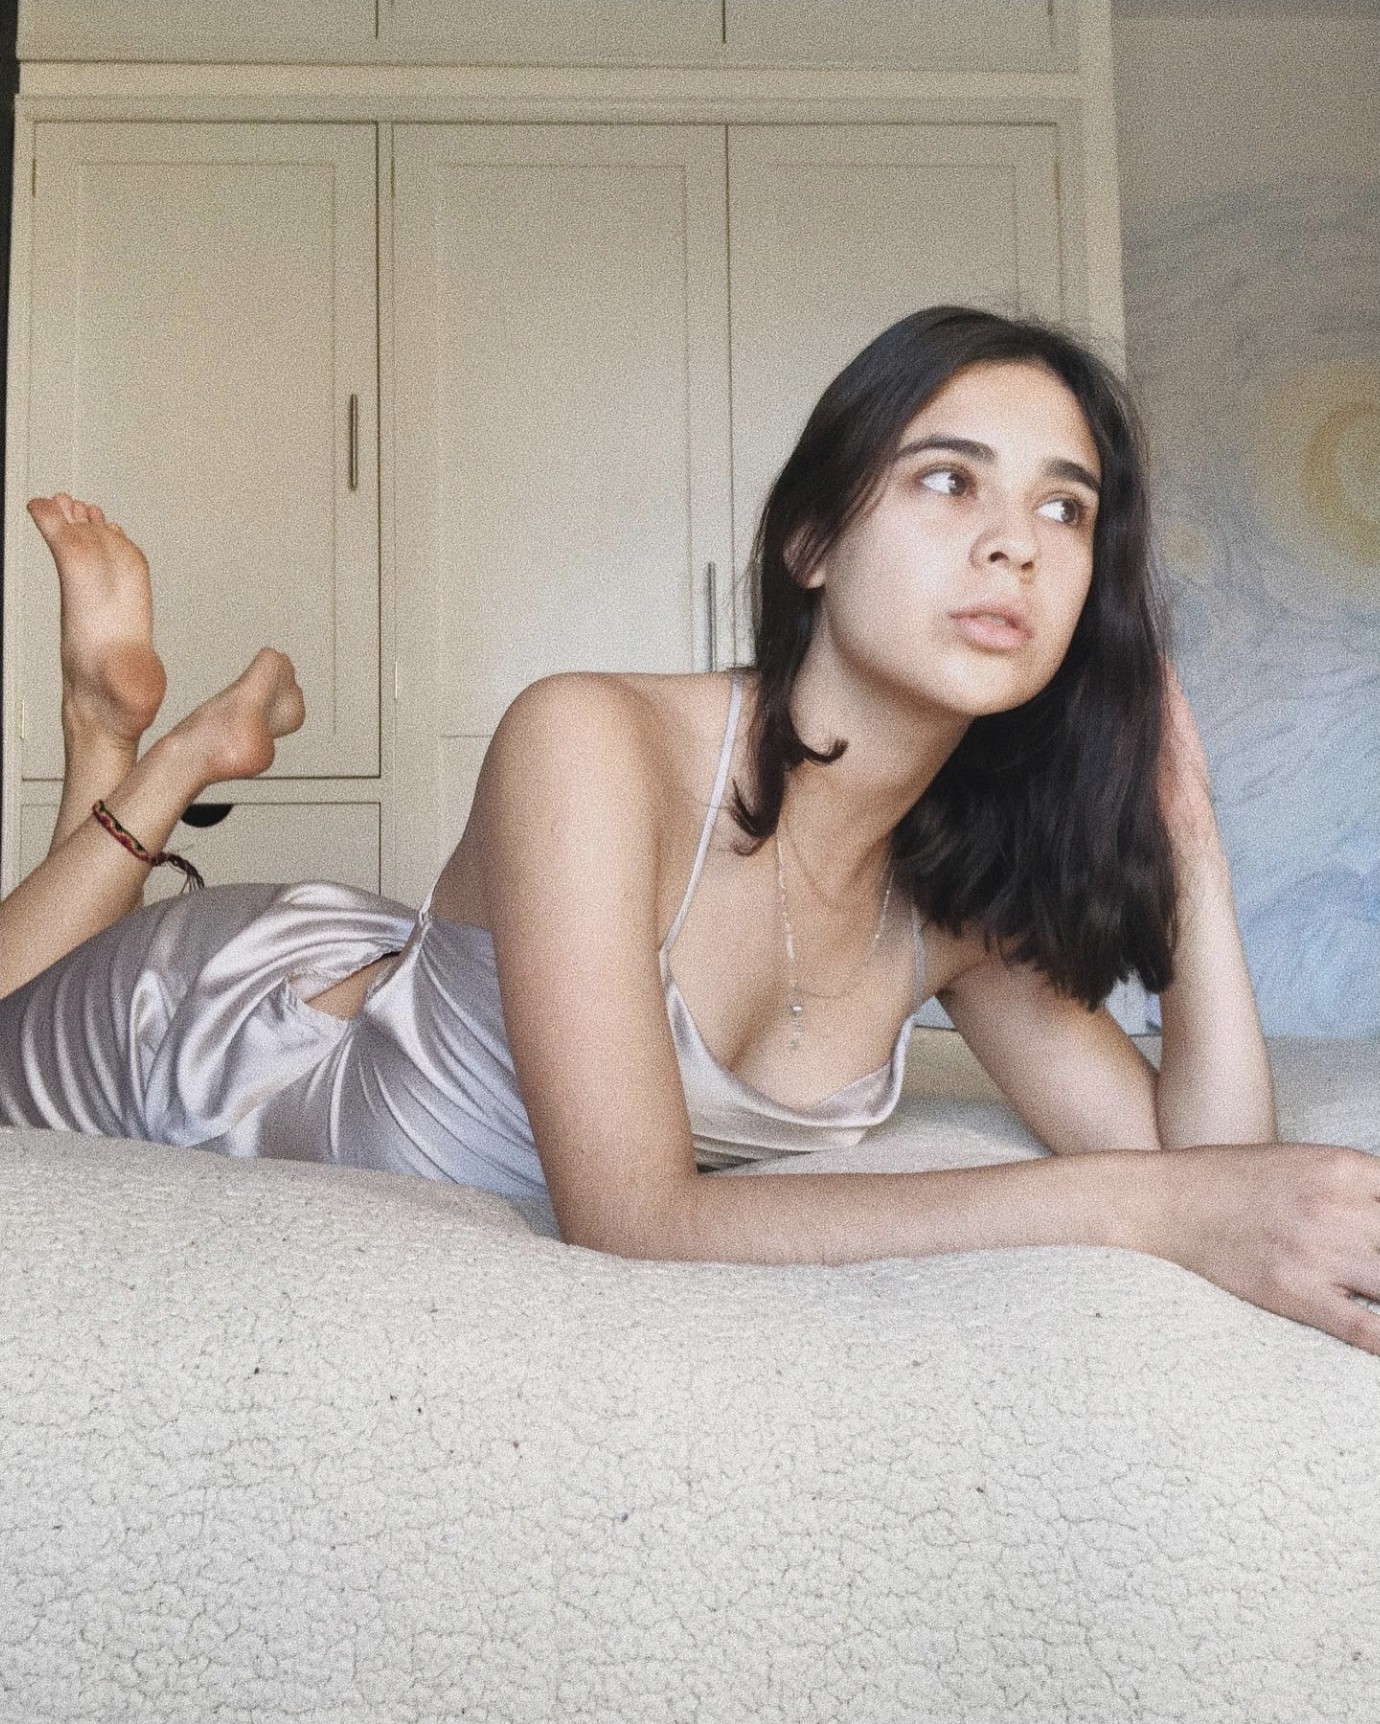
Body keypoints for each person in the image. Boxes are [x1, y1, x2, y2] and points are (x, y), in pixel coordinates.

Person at [2, 306, 1377, 1355]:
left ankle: (119, 741)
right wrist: (1138, 1215)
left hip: (368, 974)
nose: (1016, 541)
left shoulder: (954, 893)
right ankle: (156, 755)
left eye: (1065, 506)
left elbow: (1213, 1168)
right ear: (812, 543)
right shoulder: (589, 737)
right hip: (206, 1040)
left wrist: (1192, 839)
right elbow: (635, 1220)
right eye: (948, 481)